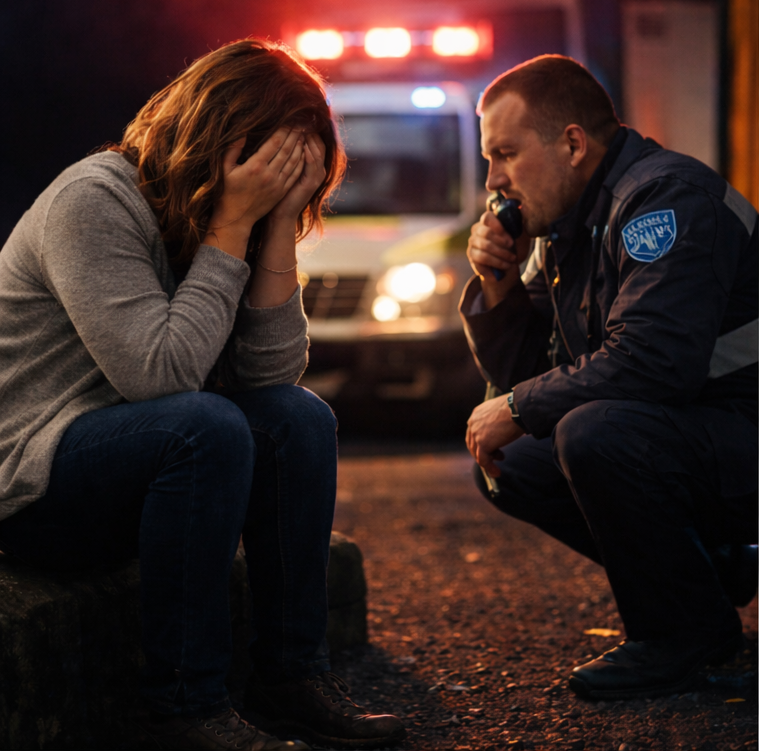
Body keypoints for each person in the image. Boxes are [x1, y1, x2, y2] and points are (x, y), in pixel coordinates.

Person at [0, 39, 405, 751]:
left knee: (299, 420)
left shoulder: (231, 217)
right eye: (273, 163)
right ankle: (184, 707)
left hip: (136, 464)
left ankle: (288, 679)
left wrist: (276, 226)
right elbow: (160, 377)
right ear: (221, 135)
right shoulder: (93, 200)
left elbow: (273, 378)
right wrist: (232, 227)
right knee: (203, 425)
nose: (284, 182)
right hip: (33, 483)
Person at [461, 54, 757, 700]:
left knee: (596, 430)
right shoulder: (571, 226)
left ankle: (682, 636)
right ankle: (711, 570)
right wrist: (499, 283)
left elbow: (653, 361)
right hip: (702, 431)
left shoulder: (662, 199)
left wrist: (517, 403)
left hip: (742, 422)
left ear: (571, 143)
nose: (494, 181)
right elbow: (521, 372)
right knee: (516, 456)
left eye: (505, 154)